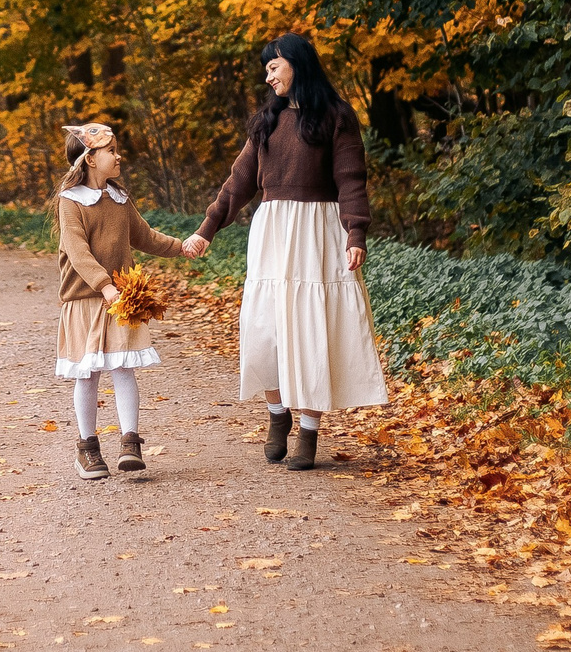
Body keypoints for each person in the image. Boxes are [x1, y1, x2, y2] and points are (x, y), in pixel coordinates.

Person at [185, 33, 388, 470]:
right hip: (273, 233)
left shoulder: (336, 117)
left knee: (314, 328)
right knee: (266, 327)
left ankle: (309, 433)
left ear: (296, 63)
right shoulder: (266, 122)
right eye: (267, 68)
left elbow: (352, 180)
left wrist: (355, 233)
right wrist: (208, 228)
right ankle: (278, 416)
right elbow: (238, 181)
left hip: (319, 233)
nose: (268, 75)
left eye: (273, 66)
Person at [54, 122, 190, 480]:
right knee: (88, 373)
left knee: (124, 368)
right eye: (111, 151)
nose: (118, 156)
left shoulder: (119, 199)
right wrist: (103, 284)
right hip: (85, 299)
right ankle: (87, 449)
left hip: (120, 301)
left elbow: (144, 236)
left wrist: (181, 246)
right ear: (89, 159)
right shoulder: (71, 203)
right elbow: (77, 250)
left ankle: (130, 443)